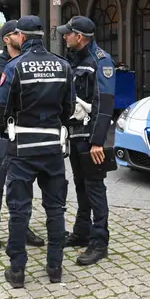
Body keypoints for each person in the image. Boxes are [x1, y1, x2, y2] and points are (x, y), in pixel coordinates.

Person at [0, 15, 75, 288]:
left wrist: (7, 130)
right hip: (52, 147)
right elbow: (70, 109)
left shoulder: (15, 67)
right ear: (42, 35)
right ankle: (55, 267)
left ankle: (17, 271)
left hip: (22, 149)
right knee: (55, 209)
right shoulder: (64, 66)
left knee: (19, 210)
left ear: (22, 37)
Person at [0, 20, 45, 250]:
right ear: (7, 39)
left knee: (24, 183)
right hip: (0, 133)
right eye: (16, 33)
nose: (21, 35)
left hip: (26, 132)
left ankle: (22, 227)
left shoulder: (31, 63)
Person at [58, 15, 116, 265]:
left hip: (90, 139)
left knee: (94, 188)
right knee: (81, 185)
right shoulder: (75, 60)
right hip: (75, 136)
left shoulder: (100, 61)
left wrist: (97, 141)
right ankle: (82, 233)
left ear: (79, 37)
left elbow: (105, 103)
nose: (64, 36)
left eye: (68, 33)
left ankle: (99, 242)